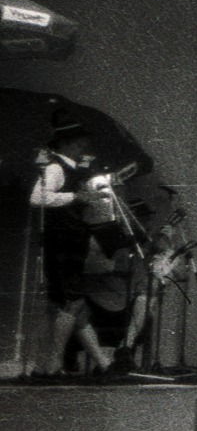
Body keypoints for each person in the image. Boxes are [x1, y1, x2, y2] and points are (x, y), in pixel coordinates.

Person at [28, 123, 120, 379]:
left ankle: (100, 364)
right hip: (62, 243)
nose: (84, 147)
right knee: (72, 302)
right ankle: (54, 364)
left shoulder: (75, 171)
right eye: (79, 142)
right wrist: (74, 198)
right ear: (66, 144)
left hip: (72, 241)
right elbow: (37, 198)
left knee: (64, 306)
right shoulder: (56, 168)